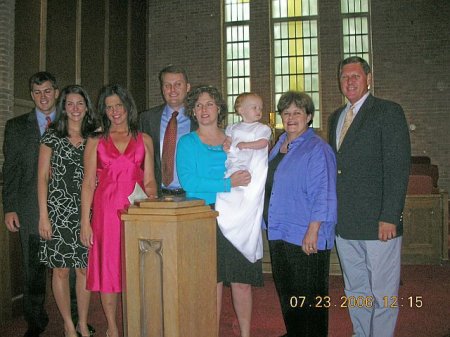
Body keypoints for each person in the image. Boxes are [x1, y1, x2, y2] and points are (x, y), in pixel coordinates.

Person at [328, 56, 411, 337]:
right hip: (346, 223)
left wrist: (390, 216)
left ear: (368, 78)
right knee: (356, 288)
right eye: (344, 77)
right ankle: (361, 333)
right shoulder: (335, 117)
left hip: (379, 223)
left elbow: (397, 168)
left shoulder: (388, 112)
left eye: (355, 76)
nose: (349, 81)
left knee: (383, 291)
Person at [176, 85, 260, 337]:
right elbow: (189, 182)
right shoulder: (187, 142)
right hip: (204, 216)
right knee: (211, 282)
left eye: (209, 104)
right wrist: (228, 183)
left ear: (219, 108)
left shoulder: (234, 137)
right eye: (199, 105)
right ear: (192, 110)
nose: (204, 109)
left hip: (237, 215)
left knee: (241, 281)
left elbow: (254, 165)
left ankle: (245, 334)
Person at [80, 84, 157, 337]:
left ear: (128, 107)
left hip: (135, 213)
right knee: (109, 271)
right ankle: (112, 328)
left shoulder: (144, 139)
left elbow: (149, 182)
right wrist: (85, 222)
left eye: (118, 106)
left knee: (137, 270)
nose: (114, 111)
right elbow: (89, 183)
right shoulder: (96, 140)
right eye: (109, 107)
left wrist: (152, 201)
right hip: (105, 214)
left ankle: (136, 325)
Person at [264, 91, 337, 337]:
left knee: (310, 297)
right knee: (288, 292)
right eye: (286, 113)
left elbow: (323, 191)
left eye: (297, 112)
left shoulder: (317, 148)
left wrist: (313, 230)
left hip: (306, 233)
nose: (291, 117)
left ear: (309, 117)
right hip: (280, 230)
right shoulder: (280, 145)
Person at [2, 71, 59, 337]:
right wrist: (9, 207)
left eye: (47, 91)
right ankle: (35, 321)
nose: (42, 96)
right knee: (33, 269)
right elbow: (10, 169)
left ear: (56, 93)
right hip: (29, 208)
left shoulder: (71, 122)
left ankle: (74, 317)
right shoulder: (15, 127)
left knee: (69, 267)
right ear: (31, 95)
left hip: (65, 208)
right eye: (37, 92)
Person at [37, 85, 97, 337]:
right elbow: (41, 177)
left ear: (86, 107)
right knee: (60, 269)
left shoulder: (95, 136)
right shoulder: (51, 135)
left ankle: (82, 322)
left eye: (79, 104)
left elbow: (94, 177)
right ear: (63, 107)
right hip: (57, 211)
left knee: (83, 268)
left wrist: (87, 219)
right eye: (69, 104)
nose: (74, 109)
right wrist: (43, 215)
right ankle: (68, 325)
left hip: (86, 211)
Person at [216, 92, 272, 263]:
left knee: (248, 199)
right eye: (254, 107)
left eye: (260, 108)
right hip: (235, 163)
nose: (259, 111)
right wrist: (227, 145)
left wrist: (246, 145)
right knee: (227, 195)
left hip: (252, 167)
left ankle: (245, 239)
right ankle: (231, 223)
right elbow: (228, 142)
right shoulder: (232, 128)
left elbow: (264, 143)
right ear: (240, 110)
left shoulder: (262, 128)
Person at [139, 64, 196, 196]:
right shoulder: (147, 119)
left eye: (178, 84)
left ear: (187, 87)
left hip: (191, 196)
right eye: (167, 85)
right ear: (162, 88)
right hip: (157, 196)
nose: (172, 90)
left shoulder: (198, 120)